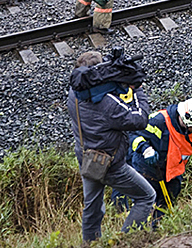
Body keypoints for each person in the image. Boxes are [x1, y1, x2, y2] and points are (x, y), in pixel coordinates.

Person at [67, 50, 156, 243]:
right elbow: (139, 119)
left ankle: (89, 244)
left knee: (92, 207)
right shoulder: (108, 105)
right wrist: (137, 89)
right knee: (146, 197)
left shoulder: (74, 93)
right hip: (110, 164)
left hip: (86, 157)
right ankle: (121, 242)